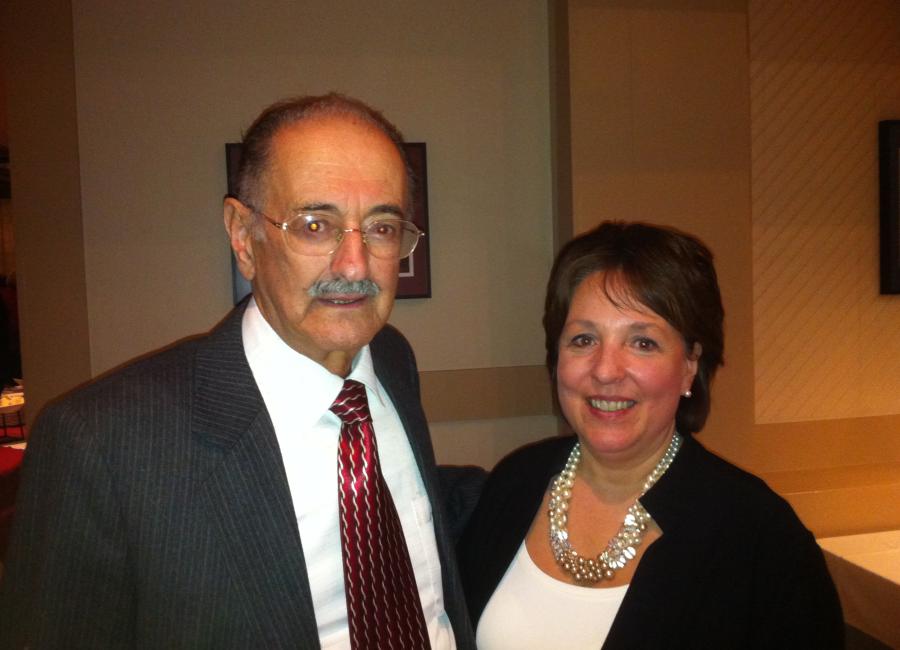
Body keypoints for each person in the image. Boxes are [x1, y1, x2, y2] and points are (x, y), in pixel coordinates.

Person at [0, 94, 475, 649]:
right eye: (315, 225)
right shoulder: (100, 443)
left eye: (382, 227)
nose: (355, 265)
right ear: (243, 236)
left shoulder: (392, 360)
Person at [457, 221, 843, 649]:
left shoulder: (762, 538)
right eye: (583, 339)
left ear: (690, 364)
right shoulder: (515, 481)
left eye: (642, 343)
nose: (606, 370)